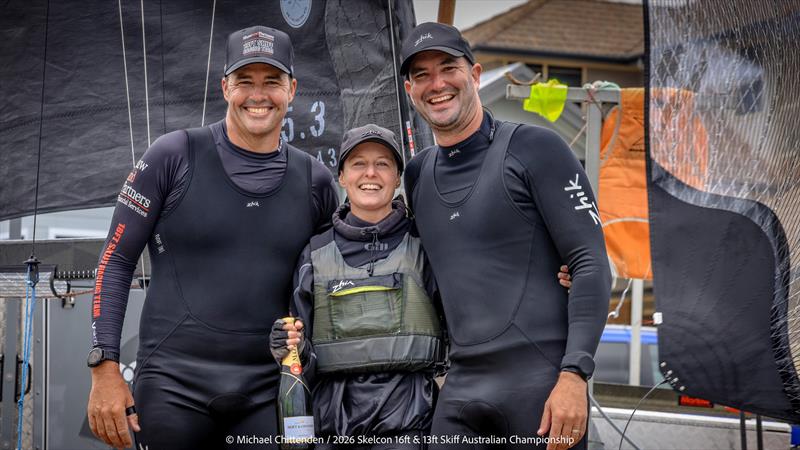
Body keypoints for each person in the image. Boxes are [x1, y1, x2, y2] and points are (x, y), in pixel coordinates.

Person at [86, 26, 338, 450]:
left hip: (268, 389)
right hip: (172, 387)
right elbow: (115, 261)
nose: (258, 95)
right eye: (245, 82)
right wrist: (104, 368)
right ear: (225, 87)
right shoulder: (172, 156)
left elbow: (330, 284)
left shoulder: (315, 180)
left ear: (292, 89)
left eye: (272, 82)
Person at [269, 124, 574, 449]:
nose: (370, 173)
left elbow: (488, 289)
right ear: (341, 176)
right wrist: (288, 346)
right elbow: (302, 356)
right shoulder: (314, 253)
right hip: (333, 429)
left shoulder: (427, 244)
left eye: (383, 164)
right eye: (358, 163)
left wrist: (554, 275)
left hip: (412, 427)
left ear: (398, 178)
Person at [400, 22, 612, 450]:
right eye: (421, 75)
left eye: (448, 68)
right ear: (409, 90)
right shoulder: (417, 173)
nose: (436, 84)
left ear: (475, 75)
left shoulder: (536, 149)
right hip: (459, 394)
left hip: (543, 391)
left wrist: (575, 376)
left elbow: (591, 264)